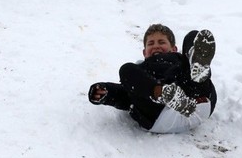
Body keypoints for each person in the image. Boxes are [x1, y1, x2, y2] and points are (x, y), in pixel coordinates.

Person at [88, 25, 217, 134]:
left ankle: (197, 63)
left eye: (161, 42)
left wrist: (189, 64)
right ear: (144, 53)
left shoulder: (180, 62)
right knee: (127, 69)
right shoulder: (142, 70)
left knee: (193, 36)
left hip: (194, 96)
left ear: (174, 49)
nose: (156, 46)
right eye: (151, 43)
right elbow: (126, 95)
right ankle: (163, 93)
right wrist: (107, 92)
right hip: (158, 111)